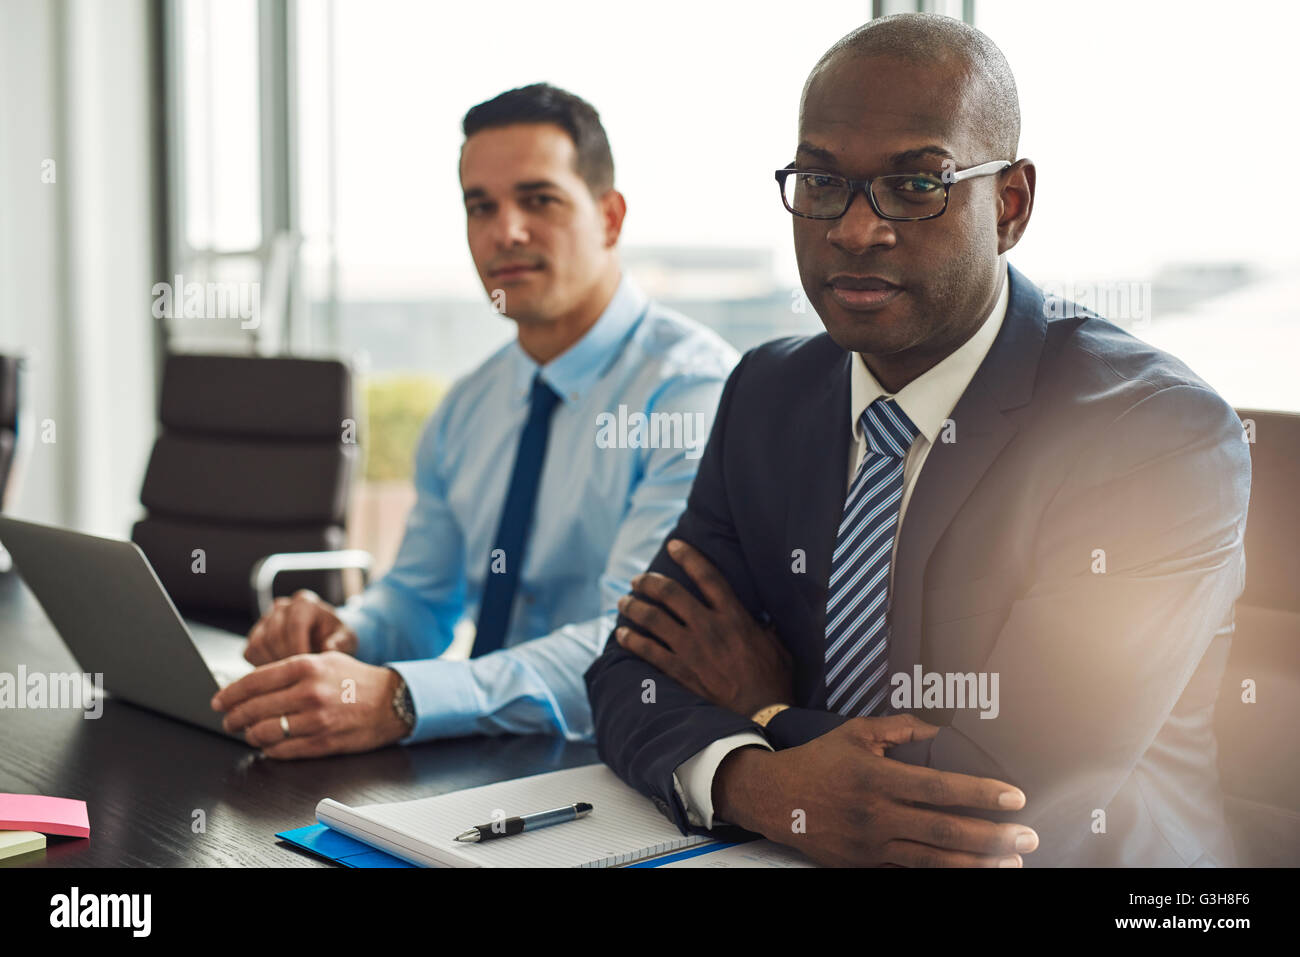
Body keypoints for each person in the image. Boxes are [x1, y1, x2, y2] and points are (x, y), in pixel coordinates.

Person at [586, 14, 1250, 867]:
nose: (856, 229)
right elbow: (631, 676)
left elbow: (1000, 789)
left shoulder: (1155, 436)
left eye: (915, 185)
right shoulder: (768, 394)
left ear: (1009, 205)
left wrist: (763, 708)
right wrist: (767, 781)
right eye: (822, 182)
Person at [210, 83, 738, 757]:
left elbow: (631, 646)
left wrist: (402, 698)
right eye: (480, 206)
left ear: (609, 217)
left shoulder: (691, 395)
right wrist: (350, 634)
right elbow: (421, 600)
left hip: (625, 762)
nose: (505, 231)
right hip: (481, 753)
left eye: (538, 199)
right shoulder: (470, 404)